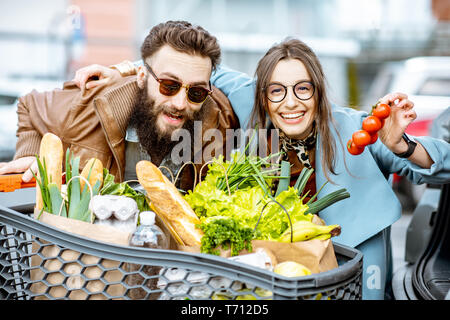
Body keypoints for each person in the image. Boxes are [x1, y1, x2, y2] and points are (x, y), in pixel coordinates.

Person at [65, 38, 450, 300]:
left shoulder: (357, 130)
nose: (290, 103)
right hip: (274, 281)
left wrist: (403, 144)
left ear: (317, 91)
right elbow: (193, 66)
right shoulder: (250, 101)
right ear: (263, 95)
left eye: (303, 89)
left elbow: (439, 168)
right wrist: (124, 68)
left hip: (350, 278)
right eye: (277, 90)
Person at [0, 20, 239, 191]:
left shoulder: (222, 117)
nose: (180, 103)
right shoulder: (88, 106)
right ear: (142, 77)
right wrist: (31, 153)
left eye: (196, 92)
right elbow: (29, 105)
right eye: (169, 85)